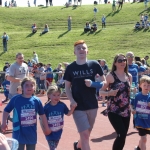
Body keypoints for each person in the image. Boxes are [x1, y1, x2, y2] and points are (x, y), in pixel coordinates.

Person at [64, 40, 106, 150]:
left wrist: (93, 84)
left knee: (87, 133)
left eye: (83, 48)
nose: (81, 50)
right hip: (78, 106)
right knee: (85, 136)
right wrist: (71, 100)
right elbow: (67, 87)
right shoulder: (70, 68)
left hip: (92, 104)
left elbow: (104, 82)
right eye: (78, 48)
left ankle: (78, 146)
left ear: (87, 51)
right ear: (74, 52)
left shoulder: (94, 65)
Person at [1, 77, 51, 150]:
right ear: (22, 87)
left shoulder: (36, 101)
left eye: (31, 85)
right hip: (18, 133)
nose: (29, 87)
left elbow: (42, 115)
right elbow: (6, 110)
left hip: (31, 133)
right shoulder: (16, 99)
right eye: (26, 85)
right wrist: (4, 123)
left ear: (34, 88)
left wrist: (46, 127)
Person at [99, 54, 132, 150]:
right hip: (114, 110)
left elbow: (130, 93)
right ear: (115, 63)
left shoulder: (128, 76)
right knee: (121, 134)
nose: (123, 62)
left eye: (124, 60)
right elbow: (101, 92)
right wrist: (109, 93)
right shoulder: (110, 76)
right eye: (120, 60)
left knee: (123, 136)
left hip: (126, 110)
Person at [40, 85, 76, 150]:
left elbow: (68, 114)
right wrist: (45, 129)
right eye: (54, 95)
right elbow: (41, 118)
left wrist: (72, 108)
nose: (56, 97)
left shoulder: (62, 105)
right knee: (53, 148)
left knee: (54, 147)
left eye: (58, 95)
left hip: (58, 131)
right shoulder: (46, 107)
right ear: (49, 95)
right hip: (50, 132)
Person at [131, 76, 150, 150]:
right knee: (144, 138)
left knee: (143, 139)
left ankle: (139, 148)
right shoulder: (136, 96)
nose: (146, 87)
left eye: (148, 85)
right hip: (139, 120)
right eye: (144, 85)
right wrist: (132, 109)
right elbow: (131, 104)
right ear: (140, 85)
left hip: (148, 121)